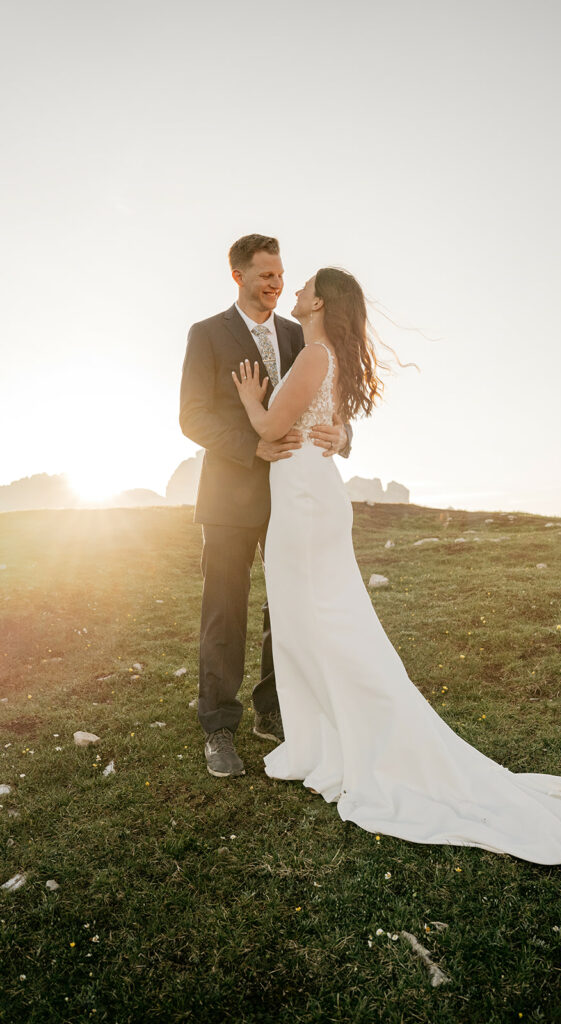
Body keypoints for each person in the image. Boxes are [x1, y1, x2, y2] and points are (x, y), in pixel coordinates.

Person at [231, 265, 561, 866]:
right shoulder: (326, 356)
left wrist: (253, 402)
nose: (297, 290)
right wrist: (334, 429)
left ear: (322, 302)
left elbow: (275, 427)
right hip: (310, 498)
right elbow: (320, 421)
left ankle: (353, 743)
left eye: (305, 287)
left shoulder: (312, 356)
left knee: (319, 629)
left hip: (303, 505)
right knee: (315, 628)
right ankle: (322, 742)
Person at [179, 235, 351, 779]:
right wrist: (252, 445)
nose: (276, 284)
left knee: (288, 609)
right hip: (230, 497)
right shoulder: (206, 334)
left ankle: (273, 709)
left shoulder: (302, 335)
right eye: (265, 276)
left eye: (280, 275)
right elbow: (192, 417)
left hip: (292, 499)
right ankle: (219, 728)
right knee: (224, 611)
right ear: (239, 277)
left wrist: (343, 433)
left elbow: (327, 400)